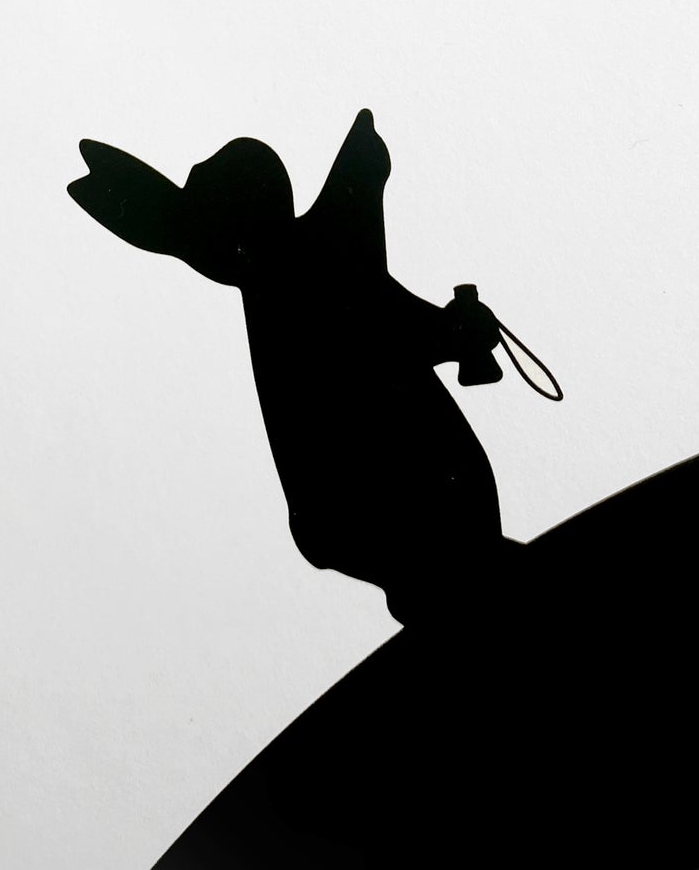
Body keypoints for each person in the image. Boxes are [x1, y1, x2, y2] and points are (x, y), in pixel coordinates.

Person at [68, 106, 510, 624]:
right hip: (385, 502)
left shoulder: (313, 256)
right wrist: (456, 331)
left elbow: (385, 322)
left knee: (439, 561)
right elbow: (394, 323)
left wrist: (454, 332)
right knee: (445, 559)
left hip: (369, 508)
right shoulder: (325, 249)